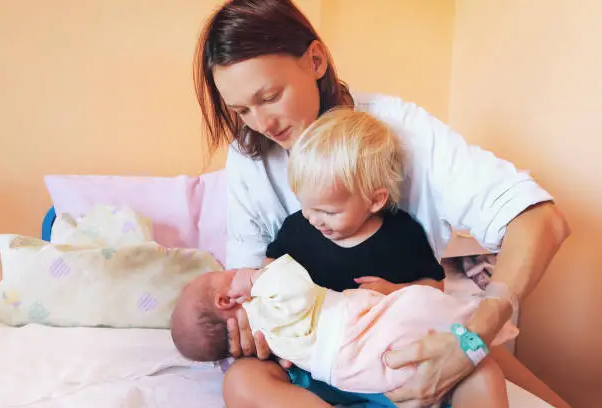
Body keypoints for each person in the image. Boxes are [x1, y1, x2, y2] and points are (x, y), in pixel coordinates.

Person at [194, 1, 571, 407]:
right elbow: (250, 278)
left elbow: (541, 220)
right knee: (244, 380)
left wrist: (474, 339)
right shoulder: (250, 158)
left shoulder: (401, 133)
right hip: (313, 352)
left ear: (315, 60)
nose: (261, 124)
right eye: (241, 111)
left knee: (483, 373)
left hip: (395, 343)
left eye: (269, 96)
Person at [171, 254, 516, 408]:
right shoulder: (261, 277)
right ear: (226, 299)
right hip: (310, 371)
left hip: (382, 346)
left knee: (479, 366)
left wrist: (391, 293)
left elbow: (431, 286)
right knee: (241, 381)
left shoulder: (404, 232)